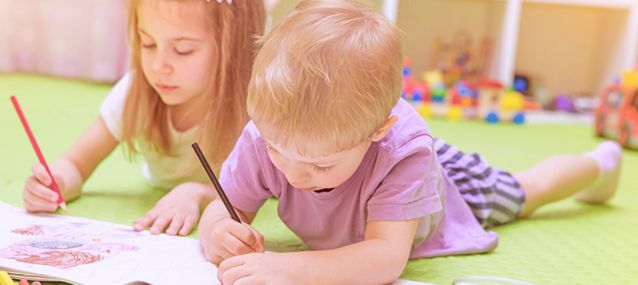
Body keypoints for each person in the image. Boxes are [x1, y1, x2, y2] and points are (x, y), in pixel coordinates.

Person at [198, 0, 623, 284]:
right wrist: (218, 230)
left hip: (443, 185)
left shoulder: (402, 151)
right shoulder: (271, 129)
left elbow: (385, 257)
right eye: (277, 151)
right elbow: (225, 205)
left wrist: (289, 269)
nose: (290, 172)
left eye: (321, 165)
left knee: (521, 192)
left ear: (377, 131)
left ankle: (599, 167)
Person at [22, 0, 265, 236]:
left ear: (233, 45)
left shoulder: (255, 106)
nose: (159, 65)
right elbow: (76, 164)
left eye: (183, 50)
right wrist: (53, 184)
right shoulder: (134, 93)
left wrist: (198, 193)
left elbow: (250, 195)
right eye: (148, 43)